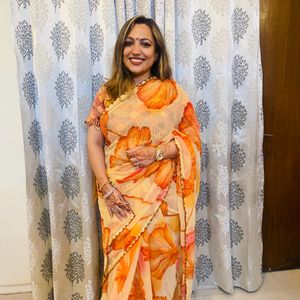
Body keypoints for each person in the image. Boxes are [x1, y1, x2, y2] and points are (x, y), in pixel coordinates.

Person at [86, 15, 201, 300]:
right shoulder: (107, 93)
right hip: (119, 199)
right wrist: (106, 187)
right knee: (121, 270)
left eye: (145, 44)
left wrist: (156, 152)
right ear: (120, 49)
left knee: (160, 270)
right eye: (129, 43)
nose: (136, 51)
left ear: (157, 51)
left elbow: (192, 141)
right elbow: (94, 142)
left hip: (162, 200)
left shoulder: (172, 92)